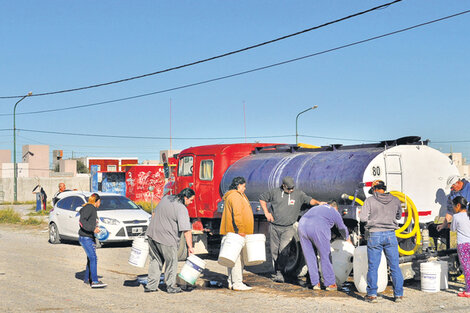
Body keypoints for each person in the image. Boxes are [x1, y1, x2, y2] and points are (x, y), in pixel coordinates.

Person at [259, 176, 325, 282]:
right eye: (289, 188)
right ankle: (278, 272)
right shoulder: (275, 192)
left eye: (292, 188)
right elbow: (262, 198)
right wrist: (266, 212)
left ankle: (281, 271)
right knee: (274, 251)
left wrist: (319, 203)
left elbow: (310, 200)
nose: (291, 190)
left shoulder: (298, 194)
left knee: (284, 251)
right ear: (283, 186)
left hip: (288, 228)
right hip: (274, 226)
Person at [359, 180, 403, 303]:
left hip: (375, 234)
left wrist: (370, 223)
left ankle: (372, 295)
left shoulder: (370, 200)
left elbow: (362, 218)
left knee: (373, 267)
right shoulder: (395, 200)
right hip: (391, 235)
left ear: (374, 189)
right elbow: (399, 216)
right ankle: (398, 295)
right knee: (395, 266)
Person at [144, 188, 195, 293]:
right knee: (171, 262)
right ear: (185, 198)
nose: (191, 202)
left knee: (155, 260)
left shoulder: (166, 198)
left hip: (152, 234)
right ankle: (170, 286)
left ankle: (151, 286)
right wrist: (190, 247)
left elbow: (155, 213)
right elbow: (186, 230)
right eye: (191, 200)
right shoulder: (181, 208)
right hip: (167, 238)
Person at [298, 200, 351, 291]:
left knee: (310, 256)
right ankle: (330, 284)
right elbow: (342, 227)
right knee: (325, 255)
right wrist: (347, 239)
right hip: (317, 227)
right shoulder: (333, 211)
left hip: (302, 226)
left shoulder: (317, 207)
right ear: (335, 207)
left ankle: (315, 283)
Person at [220, 176, 254, 291]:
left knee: (232, 258)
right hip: (236, 233)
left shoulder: (236, 195)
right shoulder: (235, 196)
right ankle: (237, 283)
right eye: (243, 186)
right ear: (238, 185)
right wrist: (241, 229)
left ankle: (231, 281)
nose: (245, 188)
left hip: (234, 232)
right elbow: (237, 214)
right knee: (237, 259)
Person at [78, 193, 107, 288]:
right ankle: (94, 281)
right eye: (99, 202)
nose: (100, 204)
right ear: (97, 201)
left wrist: (95, 227)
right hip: (85, 237)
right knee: (93, 258)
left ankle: (87, 279)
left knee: (90, 258)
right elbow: (82, 221)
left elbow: (89, 221)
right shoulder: (89, 208)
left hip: (89, 237)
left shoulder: (91, 208)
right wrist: (92, 229)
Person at [448, 196, 470, 297]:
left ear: (458, 205)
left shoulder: (456, 217)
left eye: (453, 205)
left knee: (466, 267)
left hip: (463, 245)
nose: (453, 208)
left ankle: (469, 291)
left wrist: (445, 225)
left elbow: (452, 229)